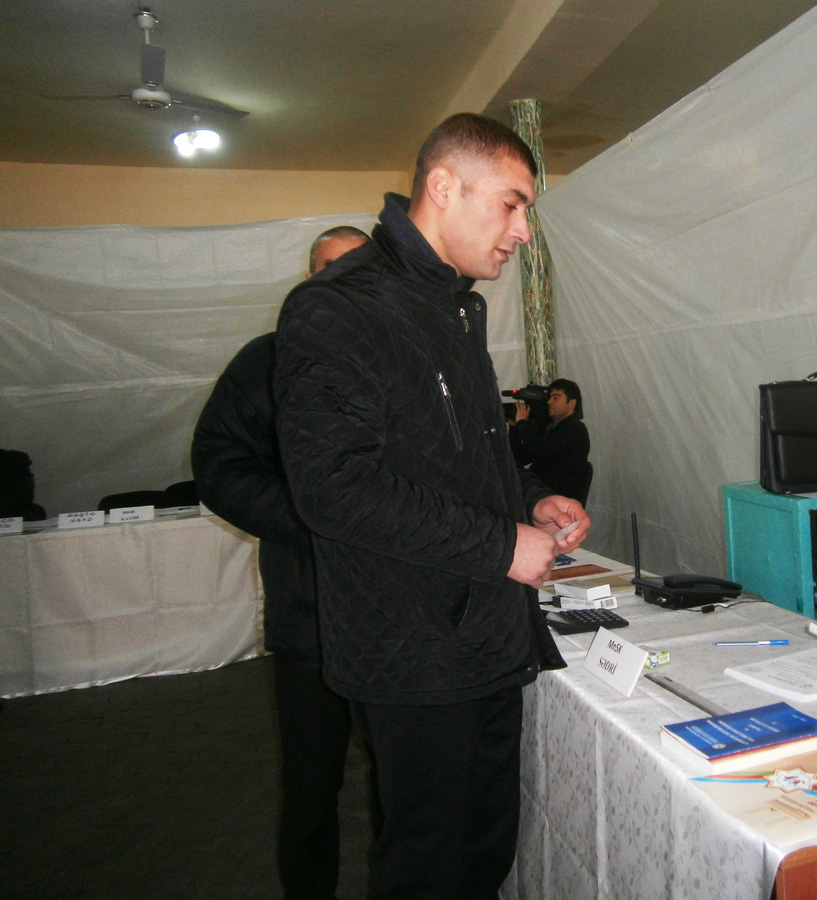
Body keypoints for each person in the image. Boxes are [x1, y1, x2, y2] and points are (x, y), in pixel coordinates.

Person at [271, 113, 590, 900]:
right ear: (443, 186)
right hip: (409, 644)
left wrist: (533, 499)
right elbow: (332, 487)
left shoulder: (453, 304)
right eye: (511, 204)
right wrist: (497, 544)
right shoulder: (339, 308)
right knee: (426, 864)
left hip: (482, 629)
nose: (521, 232)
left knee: (485, 848)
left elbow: (464, 460)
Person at [191, 224, 369, 900]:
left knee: (409, 789)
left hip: (402, 625)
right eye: (331, 269)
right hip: (310, 620)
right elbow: (219, 468)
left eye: (360, 272)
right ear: (306, 281)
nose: (344, 284)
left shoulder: (400, 362)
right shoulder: (262, 364)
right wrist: (313, 519)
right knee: (310, 788)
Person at [507, 378, 591, 504]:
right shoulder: (552, 429)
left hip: (556, 501)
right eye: (550, 397)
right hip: (540, 496)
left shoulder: (576, 430)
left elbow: (540, 449)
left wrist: (522, 423)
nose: (549, 402)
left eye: (556, 398)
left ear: (572, 403)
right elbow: (519, 458)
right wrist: (514, 429)